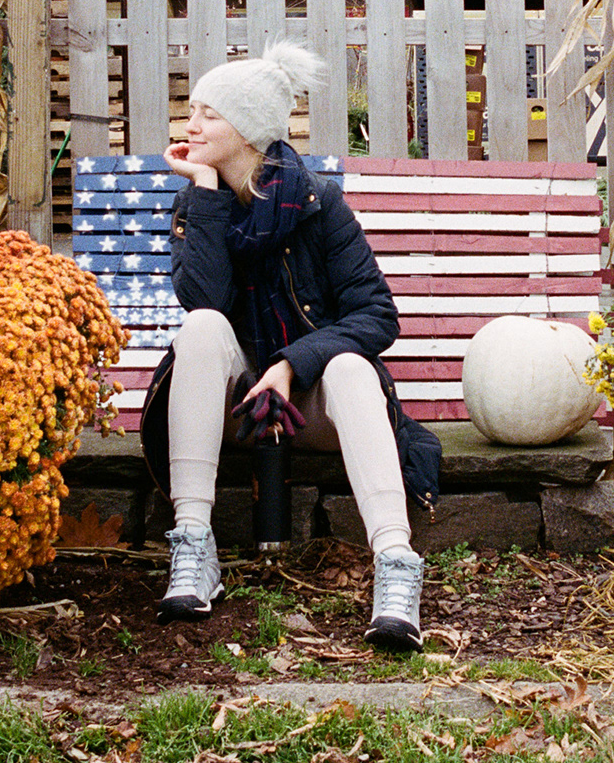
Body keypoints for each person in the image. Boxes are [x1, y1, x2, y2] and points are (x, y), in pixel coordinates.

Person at [138, 42, 439, 651]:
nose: (191, 125)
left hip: (315, 406)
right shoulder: (195, 202)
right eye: (192, 111)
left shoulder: (319, 204)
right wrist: (206, 192)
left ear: (247, 130)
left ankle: (396, 566)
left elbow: (376, 315)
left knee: (351, 367)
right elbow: (203, 300)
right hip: (232, 410)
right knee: (201, 329)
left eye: (209, 114)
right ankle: (194, 546)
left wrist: (290, 365)